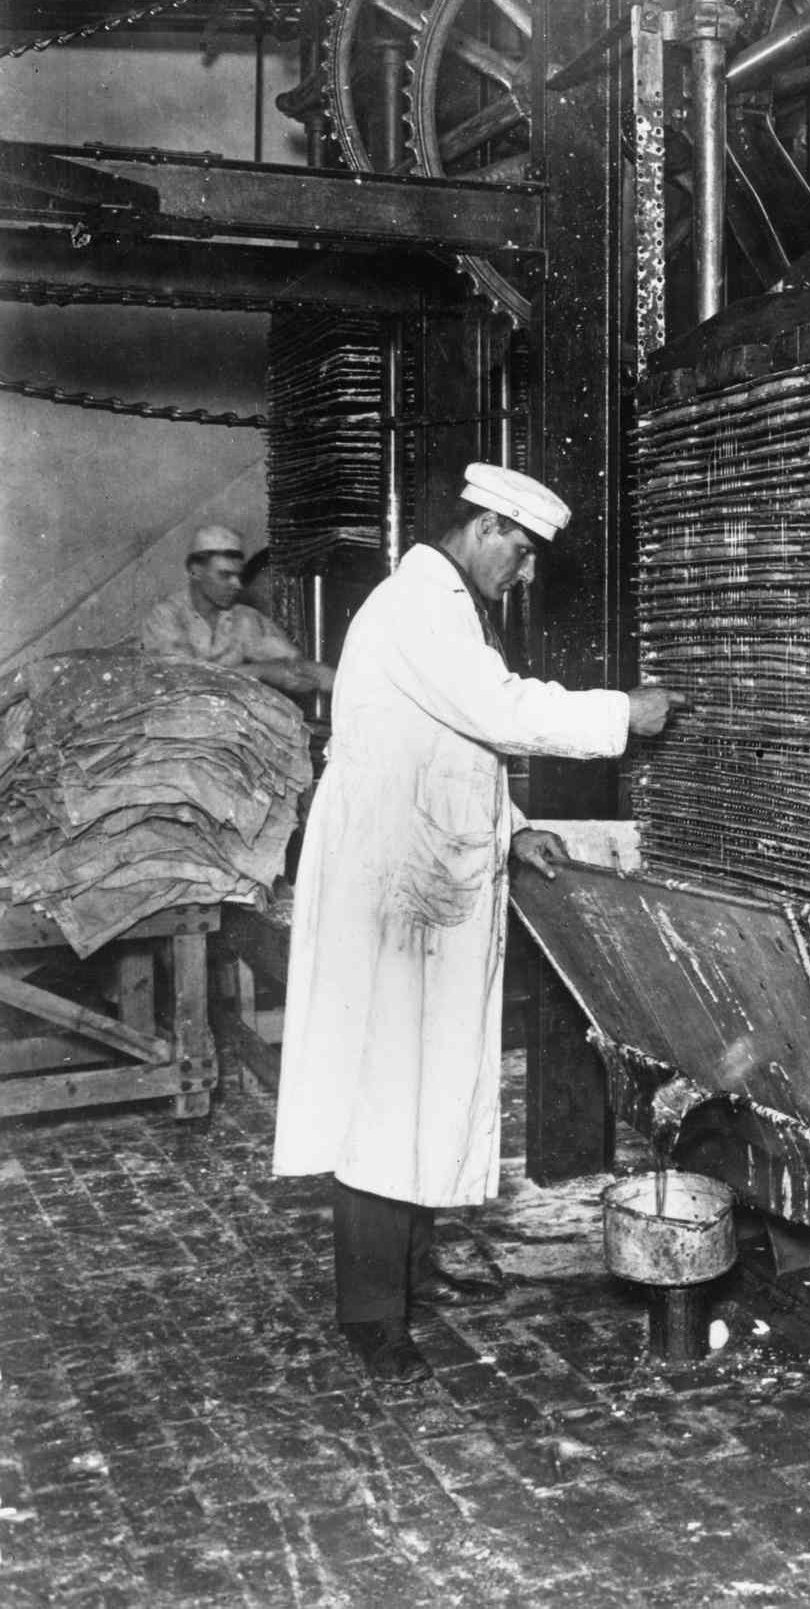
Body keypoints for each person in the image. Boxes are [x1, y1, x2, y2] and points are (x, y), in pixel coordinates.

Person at [271, 463, 683, 1383]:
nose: (527, 572)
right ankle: (374, 1316)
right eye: (525, 551)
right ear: (487, 526)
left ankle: (410, 1272)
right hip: (392, 880)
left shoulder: (451, 608)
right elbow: (496, 711)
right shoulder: (419, 603)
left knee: (419, 1078)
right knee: (387, 1084)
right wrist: (627, 713)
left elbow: (456, 749)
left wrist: (511, 830)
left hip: (424, 869)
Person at [140, 525, 334, 698]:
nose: (237, 585)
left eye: (238, 576)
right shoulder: (165, 616)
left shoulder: (244, 618)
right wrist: (261, 671)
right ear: (195, 571)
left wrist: (336, 680)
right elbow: (186, 681)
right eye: (225, 575)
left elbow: (295, 664)